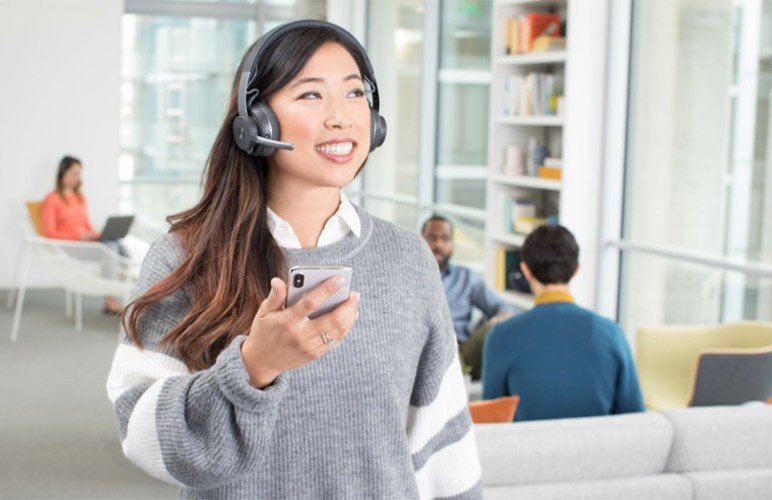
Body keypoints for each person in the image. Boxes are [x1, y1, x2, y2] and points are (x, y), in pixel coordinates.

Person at [105, 20, 481, 499]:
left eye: (353, 93)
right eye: (310, 95)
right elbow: (140, 433)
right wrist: (252, 367)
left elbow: (443, 448)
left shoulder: (407, 258)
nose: (342, 116)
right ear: (257, 122)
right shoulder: (187, 256)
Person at [482, 224, 644, 421]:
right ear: (576, 270)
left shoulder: (501, 336)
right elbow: (635, 419)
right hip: (598, 450)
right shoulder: (611, 333)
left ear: (526, 270)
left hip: (527, 450)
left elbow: (491, 420)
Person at [421, 214, 515, 379]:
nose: (438, 244)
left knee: (494, 329)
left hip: (461, 352)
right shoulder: (409, 275)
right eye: (432, 238)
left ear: (453, 243)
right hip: (420, 349)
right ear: (421, 240)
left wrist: (494, 321)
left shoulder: (466, 278)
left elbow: (505, 309)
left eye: (445, 239)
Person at [40, 155, 124, 314]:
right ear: (62, 173)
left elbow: (86, 225)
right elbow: (50, 233)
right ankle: (110, 300)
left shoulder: (80, 197)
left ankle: (123, 272)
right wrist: (78, 237)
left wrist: (97, 234)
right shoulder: (51, 200)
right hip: (69, 246)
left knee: (114, 242)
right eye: (74, 173)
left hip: (86, 242)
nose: (77, 178)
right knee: (109, 251)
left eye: (79, 173)